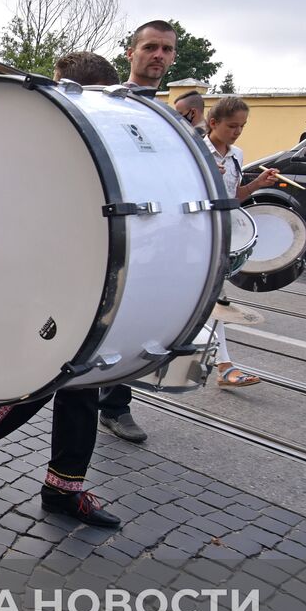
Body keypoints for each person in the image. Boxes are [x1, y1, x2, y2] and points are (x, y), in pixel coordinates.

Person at [0, 49, 123, 529]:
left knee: (81, 386)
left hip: (86, 278)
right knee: (41, 380)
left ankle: (62, 489)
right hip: (36, 281)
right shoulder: (32, 136)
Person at [97, 22, 182, 444]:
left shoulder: (167, 116)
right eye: (150, 47)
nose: (159, 56)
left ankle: (115, 402)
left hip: (156, 230)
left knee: (134, 316)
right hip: (113, 229)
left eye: (166, 49)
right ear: (130, 52)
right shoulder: (110, 107)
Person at [203, 97, 280, 387]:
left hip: (222, 236)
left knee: (211, 303)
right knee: (207, 303)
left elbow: (233, 198)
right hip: (195, 235)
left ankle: (223, 366)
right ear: (213, 123)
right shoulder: (195, 150)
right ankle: (223, 365)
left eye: (242, 127)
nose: (237, 132)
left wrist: (258, 184)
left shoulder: (236, 155)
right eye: (231, 125)